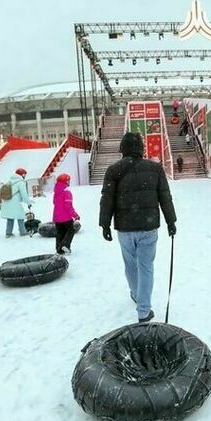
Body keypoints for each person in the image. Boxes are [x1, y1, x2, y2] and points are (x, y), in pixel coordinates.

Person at [99, 132, 177, 323]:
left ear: (122, 149)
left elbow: (107, 199)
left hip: (125, 228)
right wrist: (171, 221)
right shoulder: (155, 169)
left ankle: (136, 293)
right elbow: (165, 197)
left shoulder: (113, 170)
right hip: (148, 227)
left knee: (130, 265)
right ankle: (143, 310)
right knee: (146, 266)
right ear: (141, 148)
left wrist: (105, 224)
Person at [53, 173, 80, 254]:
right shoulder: (67, 192)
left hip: (57, 217)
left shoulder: (56, 191)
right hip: (66, 217)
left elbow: (54, 202)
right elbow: (68, 206)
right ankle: (65, 245)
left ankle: (59, 249)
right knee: (70, 230)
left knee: (60, 233)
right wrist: (75, 215)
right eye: (68, 180)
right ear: (66, 181)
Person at [0, 168, 31, 237]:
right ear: (22, 175)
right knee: (20, 216)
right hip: (15, 202)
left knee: (10, 217)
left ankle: (8, 233)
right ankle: (23, 231)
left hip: (7, 201)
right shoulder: (20, 183)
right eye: (24, 174)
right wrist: (29, 203)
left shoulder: (9, 181)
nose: (25, 176)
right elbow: (24, 195)